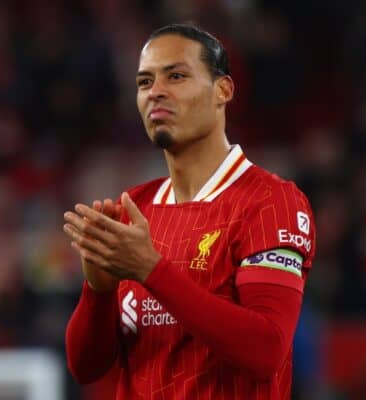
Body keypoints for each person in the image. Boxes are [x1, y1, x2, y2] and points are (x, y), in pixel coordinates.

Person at [63, 23, 316, 400]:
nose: (156, 93)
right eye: (144, 82)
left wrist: (151, 270)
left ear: (223, 90)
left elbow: (267, 350)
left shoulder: (270, 202)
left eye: (176, 76)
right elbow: (86, 367)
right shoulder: (135, 209)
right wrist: (98, 291)